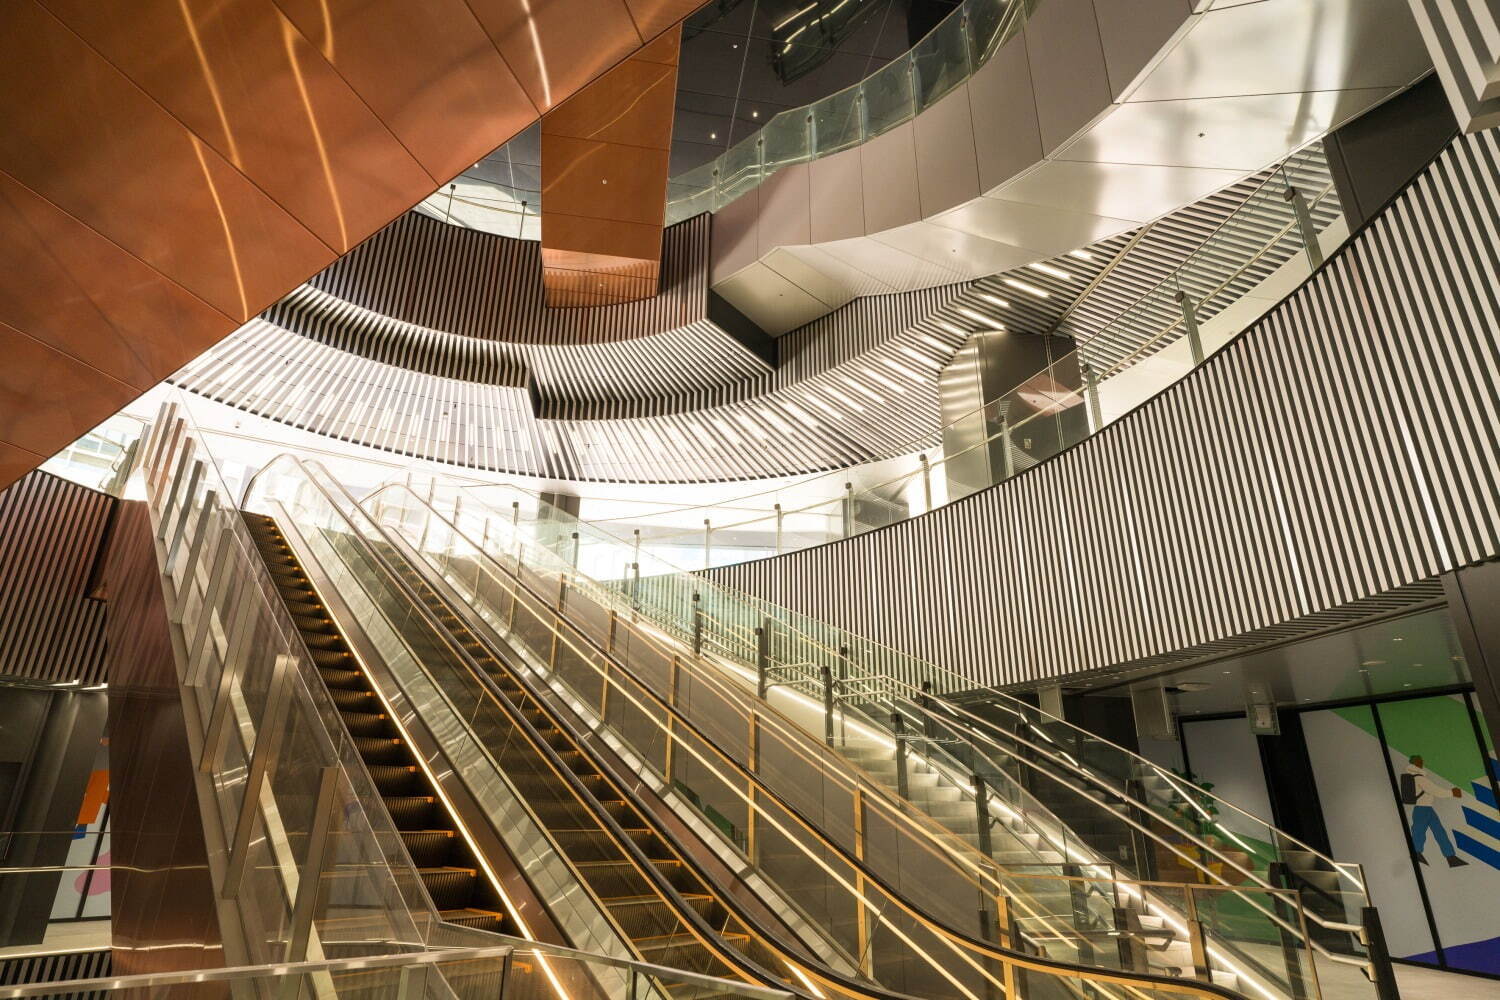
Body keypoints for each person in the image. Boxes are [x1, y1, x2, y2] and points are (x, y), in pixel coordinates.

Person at [1401, 755, 1467, 868]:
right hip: (1422, 809)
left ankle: (1450, 857)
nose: (1422, 763)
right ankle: (1417, 853)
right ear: (1415, 763)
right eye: (1420, 761)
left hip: (1426, 808)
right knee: (1422, 831)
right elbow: (1435, 791)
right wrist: (1452, 793)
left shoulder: (1416, 777)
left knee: (1437, 831)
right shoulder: (1419, 778)